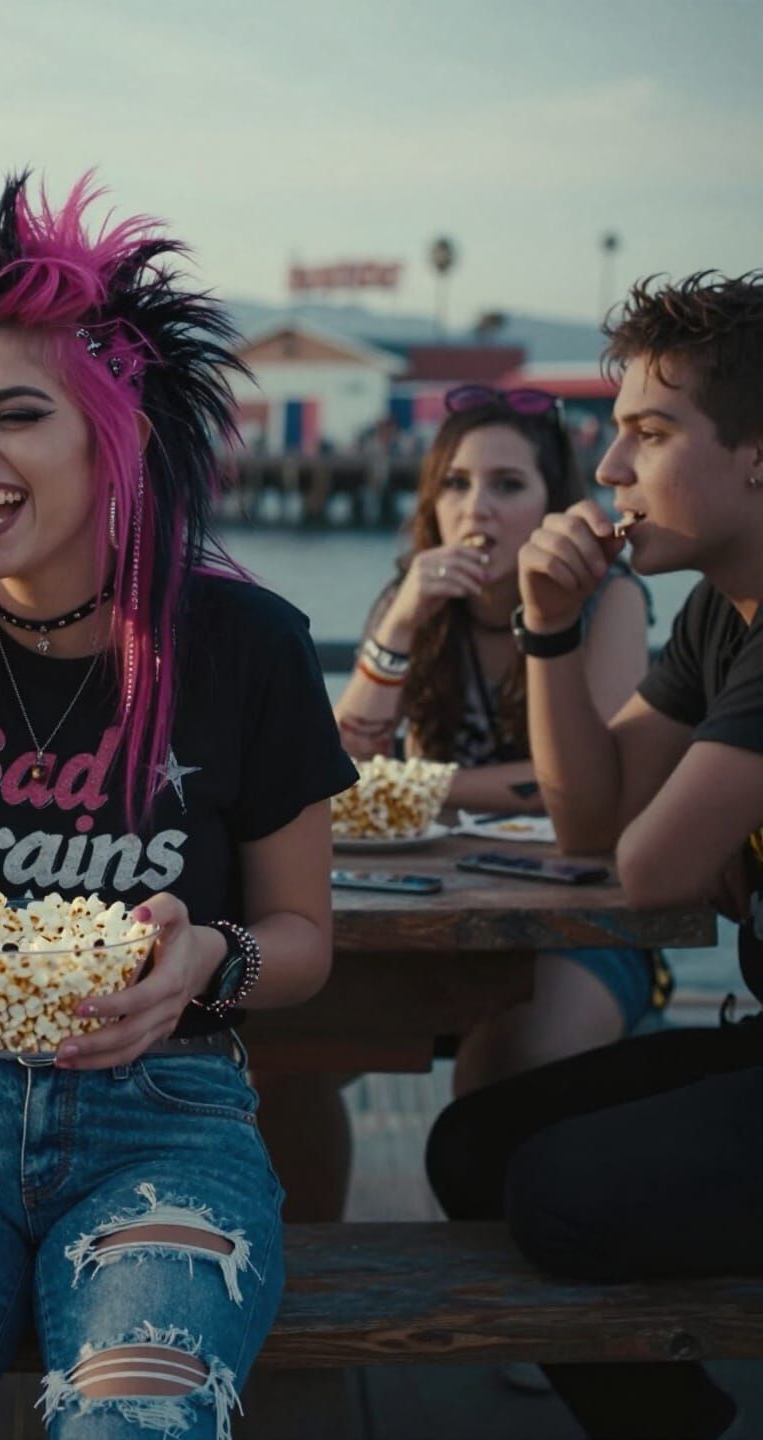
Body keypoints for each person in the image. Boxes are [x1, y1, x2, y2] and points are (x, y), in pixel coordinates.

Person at [0, 173, 358, 1439]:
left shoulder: (246, 644)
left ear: (117, 432)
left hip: (170, 1114)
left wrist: (211, 955)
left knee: (136, 1419)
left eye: (15, 416)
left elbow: (305, 939)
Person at [426, 271, 763, 1440]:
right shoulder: (726, 609)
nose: (610, 471)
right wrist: (552, 627)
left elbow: (653, 872)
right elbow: (589, 825)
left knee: (556, 1193)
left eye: (650, 434)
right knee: (475, 1145)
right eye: (613, 437)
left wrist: (673, 830)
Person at [332, 386, 660, 1096]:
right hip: (424, 911)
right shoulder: (411, 599)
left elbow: (580, 786)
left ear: (551, 506)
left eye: (506, 484)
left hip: (575, 924)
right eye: (456, 483)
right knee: (291, 1054)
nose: (475, 508)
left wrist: (417, 786)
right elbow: (332, 772)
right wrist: (397, 629)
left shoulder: (612, 600)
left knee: (503, 1074)